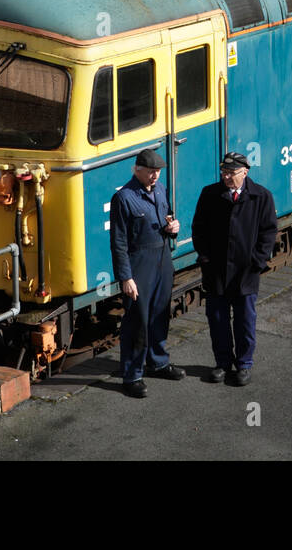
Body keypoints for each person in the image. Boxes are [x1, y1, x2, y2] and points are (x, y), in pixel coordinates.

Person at [191, 151, 278, 387]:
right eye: (224, 172)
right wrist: (205, 256)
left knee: (244, 321)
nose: (227, 177)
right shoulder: (210, 194)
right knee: (217, 320)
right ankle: (222, 364)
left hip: (245, 273)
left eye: (232, 173)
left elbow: (269, 232)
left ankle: (243, 365)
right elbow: (198, 227)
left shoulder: (261, 196)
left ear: (245, 172)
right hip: (216, 272)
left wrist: (257, 262)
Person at [110, 147, 185, 398]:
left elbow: (167, 216)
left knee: (160, 313)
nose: (155, 176)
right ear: (137, 171)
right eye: (151, 172)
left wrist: (173, 227)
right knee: (137, 319)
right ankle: (132, 375)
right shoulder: (124, 198)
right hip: (138, 261)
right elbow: (118, 242)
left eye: (158, 172)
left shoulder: (161, 190)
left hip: (162, 257)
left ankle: (158, 361)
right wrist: (126, 277)